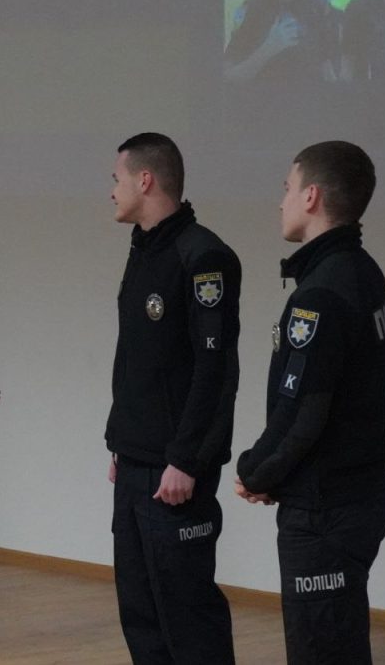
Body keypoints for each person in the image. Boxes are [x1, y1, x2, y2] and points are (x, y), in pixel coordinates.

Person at [235, 141, 385, 664]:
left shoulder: (321, 295)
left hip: (326, 511)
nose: (280, 200)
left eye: (287, 189)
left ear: (311, 196)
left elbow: (304, 413)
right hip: (358, 494)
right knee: (339, 641)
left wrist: (255, 472)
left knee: (321, 649)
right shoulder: (365, 272)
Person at [105, 133, 240, 664]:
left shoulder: (203, 257)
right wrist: (120, 444)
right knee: (139, 611)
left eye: (117, 179)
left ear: (145, 180)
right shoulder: (143, 249)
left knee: (187, 613)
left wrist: (186, 459)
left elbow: (215, 371)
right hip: (136, 461)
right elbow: (138, 360)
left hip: (175, 470)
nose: (112, 190)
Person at [225, 0, 341, 81]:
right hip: (265, 96)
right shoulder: (256, 9)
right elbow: (229, 76)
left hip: (307, 96)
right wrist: (269, 48)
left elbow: (327, 71)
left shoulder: (313, 8)